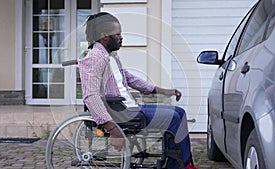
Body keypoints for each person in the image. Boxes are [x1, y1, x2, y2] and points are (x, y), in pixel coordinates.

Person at [78, 12, 196, 169]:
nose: (121, 37)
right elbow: (91, 96)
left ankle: (178, 162)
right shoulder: (94, 58)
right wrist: (112, 128)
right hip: (120, 112)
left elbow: (130, 79)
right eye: (118, 34)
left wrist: (163, 91)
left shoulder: (110, 56)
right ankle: (180, 165)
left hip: (130, 106)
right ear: (104, 35)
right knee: (175, 119)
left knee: (179, 112)